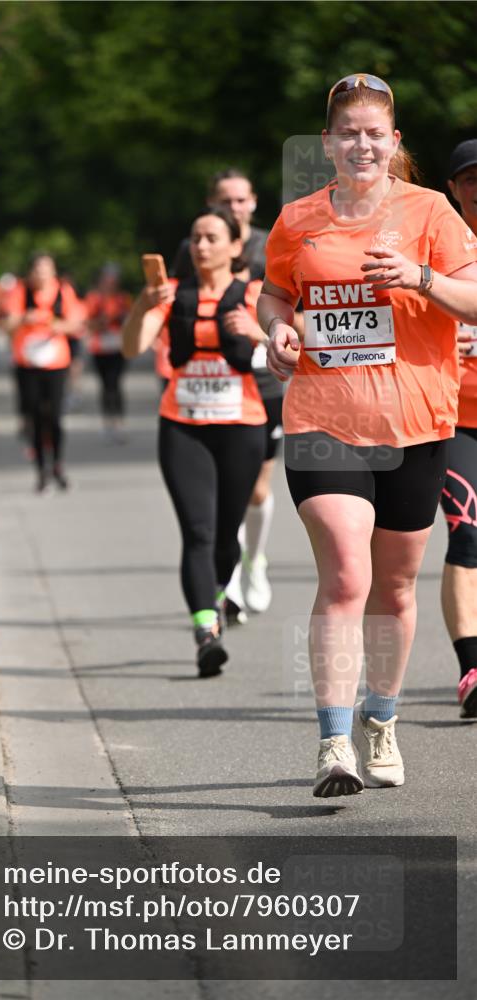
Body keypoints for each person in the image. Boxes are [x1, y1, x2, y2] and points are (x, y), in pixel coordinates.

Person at [260, 74, 477, 796]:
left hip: (415, 423)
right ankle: (332, 742)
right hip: (323, 417)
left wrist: (419, 277)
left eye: (372, 133)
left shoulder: (432, 213)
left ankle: (379, 720)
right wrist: (276, 328)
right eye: (346, 132)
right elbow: (273, 292)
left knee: (392, 586)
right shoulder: (296, 219)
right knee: (347, 574)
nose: (360, 143)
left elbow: (473, 299)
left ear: (393, 143)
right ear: (326, 143)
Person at [123, 208, 268, 677]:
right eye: (196, 237)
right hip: (182, 426)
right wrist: (142, 305)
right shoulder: (170, 296)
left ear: (233, 247)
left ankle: (220, 592)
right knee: (198, 532)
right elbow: (131, 346)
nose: (202, 245)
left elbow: (300, 341)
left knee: (226, 536)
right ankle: (206, 630)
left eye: (212, 237)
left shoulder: (253, 294)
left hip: (242, 426)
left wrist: (259, 331)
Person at [172, 169, 283, 624]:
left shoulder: (273, 243)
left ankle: (254, 561)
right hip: (213, 382)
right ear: (210, 203)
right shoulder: (193, 247)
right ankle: (229, 582)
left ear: (253, 202)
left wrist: (262, 333)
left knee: (255, 490)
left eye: (241, 200)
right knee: (216, 494)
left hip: (263, 380)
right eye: (224, 200)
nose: (233, 207)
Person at [441, 139, 477, 719]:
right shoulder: (439, 241)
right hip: (454, 415)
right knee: (467, 533)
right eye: (468, 178)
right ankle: (471, 669)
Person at [2, 253, 85, 492]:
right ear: (30, 272)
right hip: (27, 364)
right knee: (36, 417)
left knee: (56, 418)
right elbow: (6, 325)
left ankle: (58, 464)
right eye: (37, 270)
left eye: (46, 270)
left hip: (56, 363)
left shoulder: (63, 292)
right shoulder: (20, 291)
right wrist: (23, 319)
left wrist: (58, 326)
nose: (41, 274)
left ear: (54, 272)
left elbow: (77, 324)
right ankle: (41, 469)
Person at [84, 264, 132, 442]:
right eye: (107, 278)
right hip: (100, 346)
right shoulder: (93, 298)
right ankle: (107, 420)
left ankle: (119, 421)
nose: (110, 282)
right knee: (105, 385)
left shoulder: (122, 298)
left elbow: (129, 320)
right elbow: (87, 322)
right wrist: (101, 322)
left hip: (118, 345)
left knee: (116, 383)